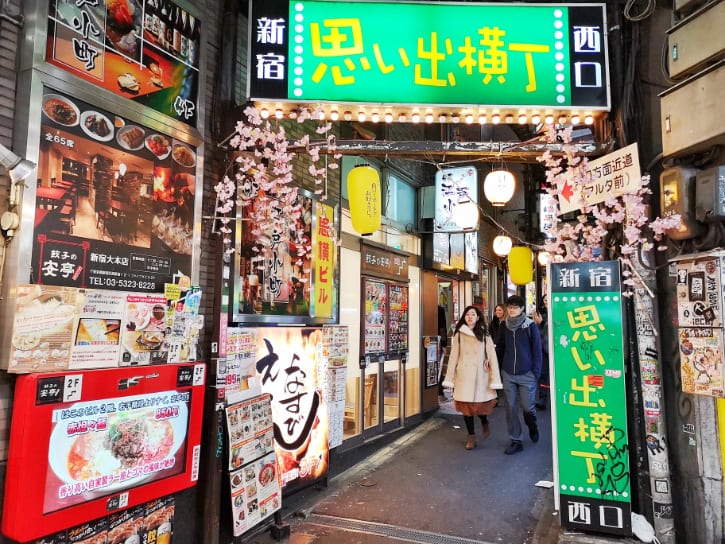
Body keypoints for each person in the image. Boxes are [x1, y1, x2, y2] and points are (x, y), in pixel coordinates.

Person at [442, 305, 503, 450]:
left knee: (479, 407)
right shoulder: (458, 334)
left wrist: (495, 378)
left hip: (480, 375)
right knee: (466, 408)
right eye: (467, 314)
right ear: (464, 317)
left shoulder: (484, 334)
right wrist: (449, 378)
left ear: (478, 317)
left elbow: (492, 356)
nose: (470, 317)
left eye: (473, 314)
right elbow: (453, 357)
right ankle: (471, 436)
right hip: (464, 375)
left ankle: (484, 421)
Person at [495, 295, 542, 455]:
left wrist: (535, 373)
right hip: (508, 373)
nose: (511, 309)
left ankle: (532, 426)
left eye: (515, 307)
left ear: (522, 308)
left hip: (527, 374)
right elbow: (500, 349)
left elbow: (537, 351)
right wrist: (497, 368)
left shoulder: (530, 326)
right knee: (511, 408)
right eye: (509, 307)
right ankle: (516, 440)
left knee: (528, 409)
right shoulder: (504, 326)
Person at [532, 294, 550, 410]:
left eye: (548, 299)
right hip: (542, 348)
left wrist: (542, 323)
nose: (547, 301)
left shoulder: (559, 311)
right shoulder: (539, 314)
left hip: (557, 349)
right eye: (545, 300)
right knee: (542, 374)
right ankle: (542, 399)